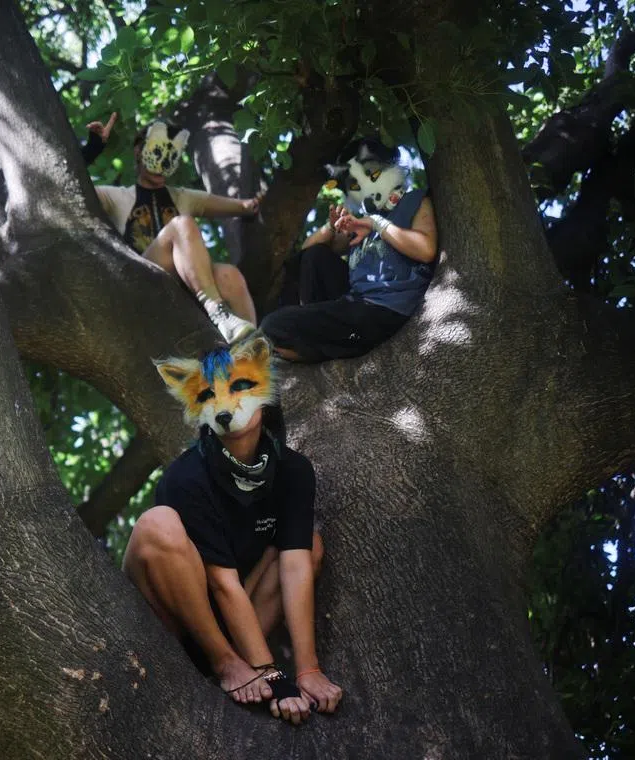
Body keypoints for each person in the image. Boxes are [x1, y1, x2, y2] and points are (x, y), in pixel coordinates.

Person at [124, 335, 343, 723]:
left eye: (239, 385)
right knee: (157, 523)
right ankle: (228, 663)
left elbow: (296, 565)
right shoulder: (186, 477)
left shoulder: (293, 470)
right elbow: (221, 582)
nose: (225, 405)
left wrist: (307, 670)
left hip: (241, 613)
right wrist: (270, 674)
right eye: (208, 395)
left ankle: (245, 660)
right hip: (177, 621)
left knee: (308, 545)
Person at [261, 138, 438, 363]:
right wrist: (331, 226)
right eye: (354, 186)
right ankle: (315, 341)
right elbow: (307, 253)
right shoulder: (362, 223)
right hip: (354, 305)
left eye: (373, 174)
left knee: (274, 326)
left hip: (386, 310)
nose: (368, 188)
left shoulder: (414, 201)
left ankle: (312, 348)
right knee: (315, 257)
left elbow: (426, 250)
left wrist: (377, 224)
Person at [93, 121, 259, 344]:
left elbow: (241, 207)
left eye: (172, 155)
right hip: (140, 281)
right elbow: (73, 188)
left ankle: (253, 345)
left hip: (181, 286)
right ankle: (217, 311)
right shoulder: (116, 197)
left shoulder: (183, 197)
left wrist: (252, 205)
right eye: (157, 151)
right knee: (182, 224)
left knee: (229, 274)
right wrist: (92, 148)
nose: (163, 162)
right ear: (139, 151)